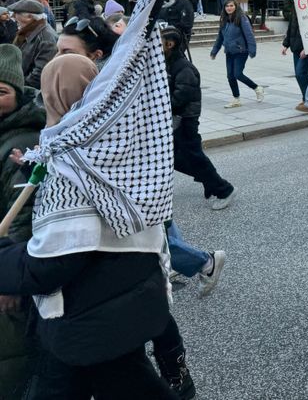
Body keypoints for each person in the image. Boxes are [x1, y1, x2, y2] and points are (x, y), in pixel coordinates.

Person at [0, 54, 176, 399]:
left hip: (88, 319)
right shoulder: (114, 146)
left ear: (52, 96)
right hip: (122, 304)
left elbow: (51, 262)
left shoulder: (73, 165)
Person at [0, 44, 46, 397]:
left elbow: (23, 216)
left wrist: (10, 280)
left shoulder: (25, 140)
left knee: (12, 352)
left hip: (9, 265)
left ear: (17, 94)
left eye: (1, 91)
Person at [164, 27, 236, 210]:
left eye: (159, 42)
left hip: (185, 120)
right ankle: (207, 179)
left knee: (195, 157)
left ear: (170, 44)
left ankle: (224, 189)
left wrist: (160, 105)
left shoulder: (183, 67)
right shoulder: (170, 62)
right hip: (177, 119)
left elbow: (180, 98)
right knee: (171, 157)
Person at [211, 0, 263, 108]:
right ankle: (236, 99)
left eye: (231, 6)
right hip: (229, 51)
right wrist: (215, 51)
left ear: (236, 6)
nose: (229, 8)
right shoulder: (224, 20)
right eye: (227, 6)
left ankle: (257, 88)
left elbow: (249, 35)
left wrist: (252, 50)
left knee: (237, 74)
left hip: (241, 51)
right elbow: (220, 37)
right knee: (230, 76)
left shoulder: (241, 18)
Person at [10, 0, 58, 89]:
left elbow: (39, 74)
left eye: (16, 14)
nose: (13, 17)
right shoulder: (28, 31)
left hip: (29, 91)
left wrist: (16, 87)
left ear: (29, 17)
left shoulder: (46, 38)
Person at [282, 0, 308, 103]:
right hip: (295, 47)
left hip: (306, 49)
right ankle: (307, 97)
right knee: (300, 74)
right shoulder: (295, 7)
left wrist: (307, 48)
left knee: (301, 73)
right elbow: (291, 27)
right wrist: (286, 45)